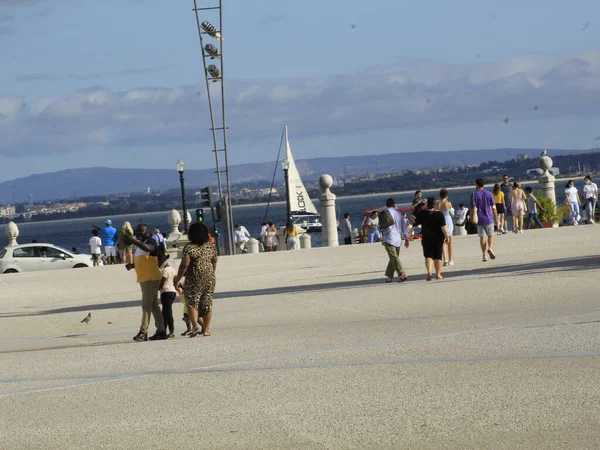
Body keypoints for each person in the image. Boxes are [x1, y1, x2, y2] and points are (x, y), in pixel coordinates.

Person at [123, 224, 168, 342]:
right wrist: (132, 266)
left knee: (146, 305)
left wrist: (132, 239)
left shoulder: (150, 241)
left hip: (151, 278)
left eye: (141, 231)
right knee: (153, 306)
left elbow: (148, 248)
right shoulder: (139, 245)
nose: (138, 233)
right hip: (144, 278)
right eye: (137, 231)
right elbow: (145, 260)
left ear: (147, 232)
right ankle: (161, 331)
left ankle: (143, 332)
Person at [174, 222, 218, 337]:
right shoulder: (211, 246)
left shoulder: (189, 247)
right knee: (207, 302)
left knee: (192, 302)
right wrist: (212, 272)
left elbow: (184, 264)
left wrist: (177, 279)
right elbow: (214, 261)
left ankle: (195, 325)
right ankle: (206, 330)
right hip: (210, 277)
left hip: (194, 277)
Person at [415, 197, 451, 280]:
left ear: (427, 205)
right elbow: (443, 227)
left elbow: (416, 221)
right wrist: (447, 236)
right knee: (438, 256)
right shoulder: (439, 214)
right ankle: (438, 274)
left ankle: (429, 273)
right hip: (438, 237)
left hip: (426, 237)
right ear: (435, 205)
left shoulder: (423, 213)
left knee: (428, 255)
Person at [381, 198, 410, 283]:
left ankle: (402, 273)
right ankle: (390, 276)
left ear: (386, 204)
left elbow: (381, 227)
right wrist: (406, 238)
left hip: (388, 238)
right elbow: (404, 228)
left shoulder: (384, 213)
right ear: (394, 204)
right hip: (397, 239)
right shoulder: (399, 214)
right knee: (394, 257)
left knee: (393, 257)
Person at [470, 178, 498, 262]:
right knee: (491, 235)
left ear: (477, 184)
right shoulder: (489, 194)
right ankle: (490, 248)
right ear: (483, 184)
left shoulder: (474, 194)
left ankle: (484, 255)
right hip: (489, 218)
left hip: (479, 219)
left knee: (482, 237)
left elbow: (471, 208)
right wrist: (496, 218)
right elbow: (493, 207)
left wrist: (471, 217)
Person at [159, 260, 177, 338]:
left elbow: (163, 281)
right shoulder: (173, 270)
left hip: (166, 292)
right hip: (173, 291)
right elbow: (175, 280)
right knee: (165, 311)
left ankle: (171, 330)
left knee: (168, 312)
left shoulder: (165, 270)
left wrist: (158, 288)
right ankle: (164, 330)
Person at [436, 188, 454, 266]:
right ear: (446, 195)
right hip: (448, 221)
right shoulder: (448, 203)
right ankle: (450, 260)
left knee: (442, 242)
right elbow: (452, 214)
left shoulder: (437, 204)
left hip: (440, 221)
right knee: (450, 241)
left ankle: (445, 259)